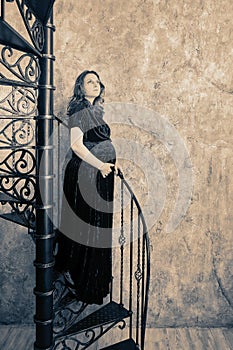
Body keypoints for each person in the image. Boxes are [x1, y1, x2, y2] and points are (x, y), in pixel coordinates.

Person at [54, 70, 116, 305]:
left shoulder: (96, 112)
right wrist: (101, 164)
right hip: (85, 174)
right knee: (84, 227)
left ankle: (91, 283)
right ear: (80, 87)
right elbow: (77, 146)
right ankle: (77, 280)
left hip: (99, 175)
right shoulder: (79, 111)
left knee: (96, 227)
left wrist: (108, 166)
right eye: (90, 81)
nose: (95, 84)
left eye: (98, 81)